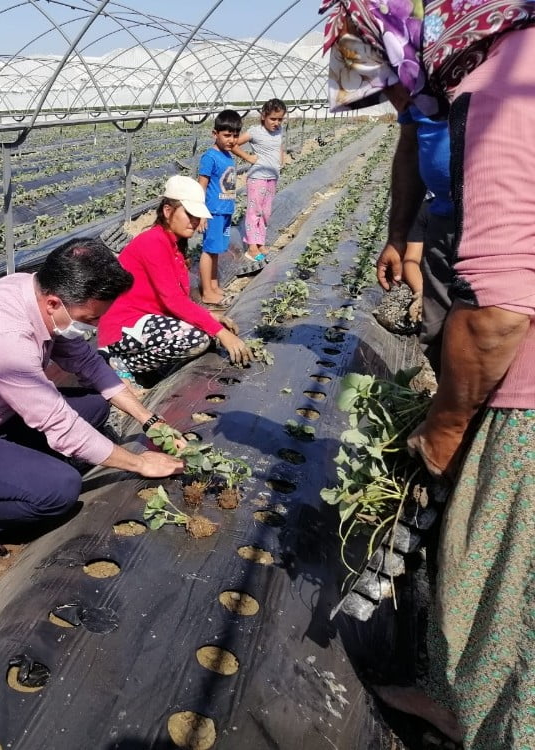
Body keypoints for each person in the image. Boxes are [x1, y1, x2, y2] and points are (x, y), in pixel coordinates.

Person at [322, 2, 535, 747]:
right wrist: (405, 236)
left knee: (504, 587)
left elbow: (500, 308)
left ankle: (489, 719)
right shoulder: (479, 77)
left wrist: (445, 425)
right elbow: (414, 138)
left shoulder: (509, 80)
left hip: (524, 390)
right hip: (469, 270)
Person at [0, 238, 185, 560]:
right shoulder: (6, 339)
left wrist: (150, 421)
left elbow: (89, 364)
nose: (95, 327)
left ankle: (23, 468)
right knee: (59, 489)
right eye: (90, 319)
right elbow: (60, 424)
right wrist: (140, 463)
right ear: (53, 303)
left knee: (95, 404)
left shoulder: (32, 290)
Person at [97, 175, 252, 379]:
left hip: (146, 320)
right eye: (189, 214)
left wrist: (210, 317)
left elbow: (176, 299)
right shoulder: (153, 242)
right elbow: (173, 300)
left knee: (205, 330)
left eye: (197, 216)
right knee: (196, 339)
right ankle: (118, 363)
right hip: (123, 328)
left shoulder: (172, 245)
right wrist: (221, 333)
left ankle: (147, 366)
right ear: (167, 211)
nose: (194, 221)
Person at [374, 101, 453, 374]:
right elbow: (412, 259)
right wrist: (420, 292)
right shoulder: (425, 208)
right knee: (436, 332)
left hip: (493, 217)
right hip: (444, 228)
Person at [232, 98, 287, 268]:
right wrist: (248, 157)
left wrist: (281, 158)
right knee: (254, 212)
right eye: (273, 119)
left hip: (272, 177)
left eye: (280, 119)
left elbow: (279, 146)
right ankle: (252, 247)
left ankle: (260, 243)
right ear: (263, 116)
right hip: (258, 177)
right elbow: (233, 144)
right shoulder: (255, 132)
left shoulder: (279, 130)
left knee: (265, 212)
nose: (276, 123)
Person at [197, 109, 242, 306]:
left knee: (216, 250)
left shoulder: (228, 156)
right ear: (215, 134)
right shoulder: (210, 157)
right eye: (227, 135)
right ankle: (207, 292)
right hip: (213, 211)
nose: (231, 140)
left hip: (225, 211)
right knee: (208, 251)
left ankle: (214, 286)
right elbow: (201, 186)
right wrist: (201, 214)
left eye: (235, 135)